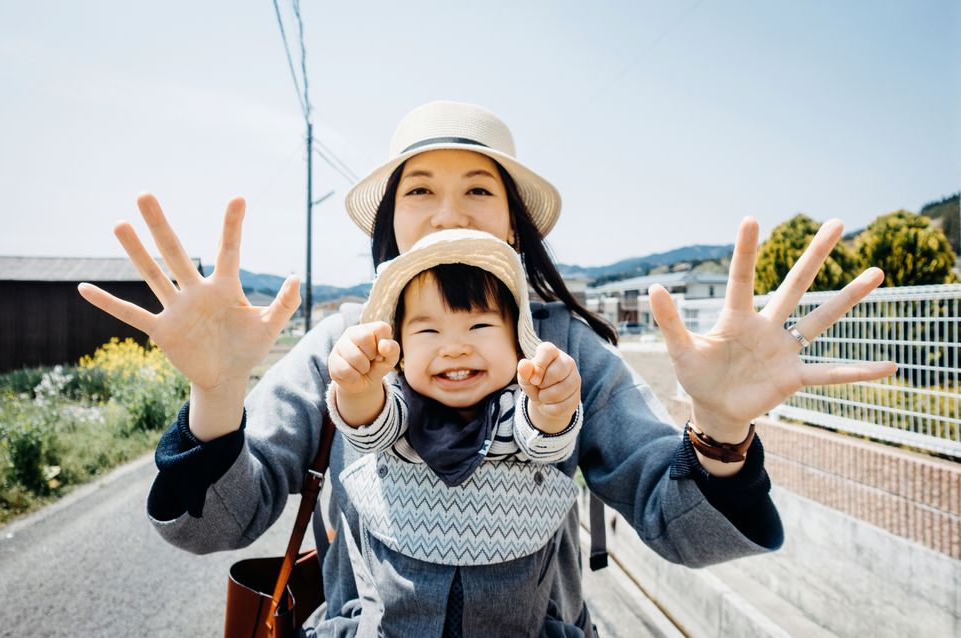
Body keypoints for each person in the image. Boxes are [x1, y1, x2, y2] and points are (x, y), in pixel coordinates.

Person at [78, 100, 896, 637]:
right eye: (420, 191)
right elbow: (215, 524)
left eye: (478, 190)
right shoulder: (339, 345)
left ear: (512, 227)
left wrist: (720, 429)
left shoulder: (568, 351)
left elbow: (683, 528)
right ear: (389, 226)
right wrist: (218, 393)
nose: (446, 213)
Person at [328, 229, 584, 487]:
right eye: (429, 330)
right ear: (401, 354)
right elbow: (371, 433)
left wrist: (551, 407)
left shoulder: (518, 405)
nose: (454, 349)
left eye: (479, 326)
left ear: (517, 344)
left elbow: (544, 443)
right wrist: (358, 391)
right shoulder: (403, 405)